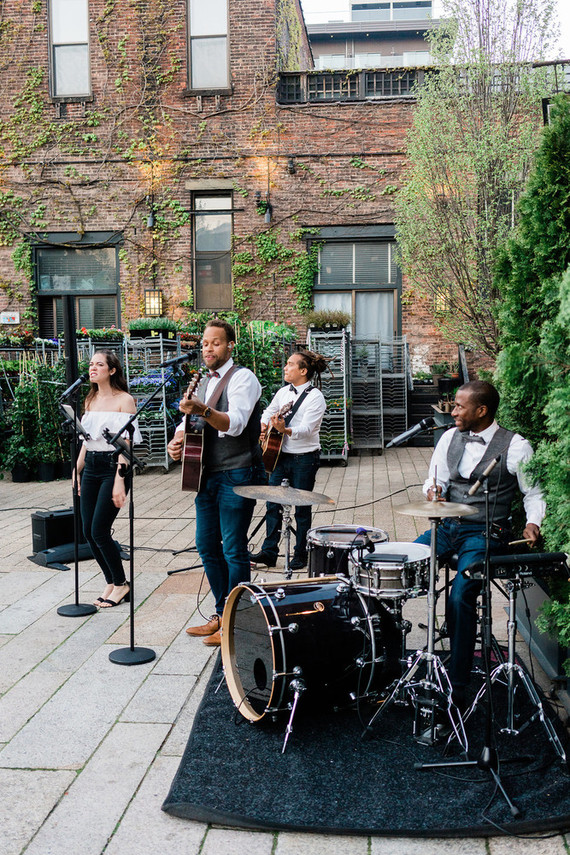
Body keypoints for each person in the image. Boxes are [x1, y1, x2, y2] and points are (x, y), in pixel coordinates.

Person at [415, 380, 545, 709]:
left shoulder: (516, 446)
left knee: (461, 595)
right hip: (446, 526)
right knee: (398, 565)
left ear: (481, 411)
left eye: (459, 406)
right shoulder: (448, 437)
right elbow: (435, 479)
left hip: (485, 531)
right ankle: (382, 662)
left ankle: (457, 684)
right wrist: (433, 491)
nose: (452, 411)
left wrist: (533, 523)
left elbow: (534, 493)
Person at [167, 320, 262, 646]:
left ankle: (238, 620)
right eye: (205, 343)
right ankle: (221, 612)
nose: (208, 348)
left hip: (237, 472)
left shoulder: (243, 378)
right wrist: (176, 442)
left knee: (234, 549)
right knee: (206, 546)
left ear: (230, 345)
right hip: (205, 474)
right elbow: (188, 423)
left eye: (216, 343)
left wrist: (204, 409)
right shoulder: (202, 381)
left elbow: (235, 425)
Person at [74, 349, 141, 608]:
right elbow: (86, 441)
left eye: (99, 364)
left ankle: (122, 584)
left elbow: (127, 445)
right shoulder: (90, 400)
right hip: (91, 465)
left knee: (100, 530)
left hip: (114, 466)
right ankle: (111, 581)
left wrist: (119, 478)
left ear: (112, 370)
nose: (92, 368)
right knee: (88, 532)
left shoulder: (125, 400)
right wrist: (77, 469)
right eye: (91, 364)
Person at [249, 350, 328, 571]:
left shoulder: (315, 397)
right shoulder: (284, 392)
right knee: (272, 503)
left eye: (290, 364)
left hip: (305, 458)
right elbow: (269, 411)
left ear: (303, 371)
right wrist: (265, 425)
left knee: (302, 508)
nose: (285, 367)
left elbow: (307, 429)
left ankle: (301, 553)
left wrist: (287, 429)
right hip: (279, 456)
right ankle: (269, 552)